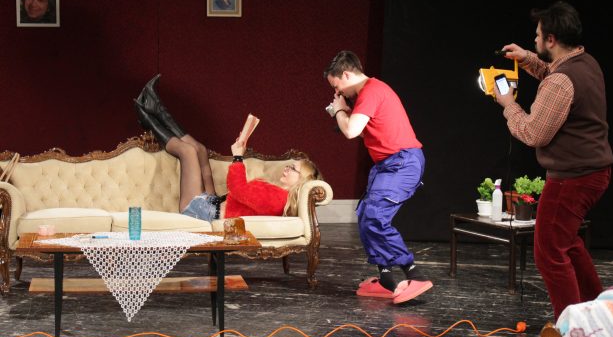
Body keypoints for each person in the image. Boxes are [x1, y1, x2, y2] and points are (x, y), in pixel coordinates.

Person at [494, 1, 613, 320]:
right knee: (566, 242)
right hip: (593, 172)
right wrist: (526, 57)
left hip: (572, 179)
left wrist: (507, 104)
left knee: (548, 252)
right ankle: (596, 312)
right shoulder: (585, 62)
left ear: (551, 39)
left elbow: (533, 133)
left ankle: (572, 328)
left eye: (537, 36)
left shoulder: (561, 81)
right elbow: (552, 72)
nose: (534, 39)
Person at [323, 50, 433, 305]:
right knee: (365, 216)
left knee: (375, 217)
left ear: (346, 74)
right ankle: (386, 279)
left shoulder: (371, 91)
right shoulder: (368, 94)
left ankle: (415, 275)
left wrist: (339, 111)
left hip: (402, 162)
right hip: (387, 164)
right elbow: (363, 132)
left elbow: (351, 131)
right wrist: (343, 111)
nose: (338, 93)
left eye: (336, 86)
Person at [133, 75, 321, 221]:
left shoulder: (278, 198)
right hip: (214, 203)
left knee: (188, 152)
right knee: (200, 150)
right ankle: (156, 108)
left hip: (203, 212)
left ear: (300, 181)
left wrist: (238, 157)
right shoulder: (279, 194)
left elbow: (238, 189)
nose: (287, 168)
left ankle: (146, 117)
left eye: (293, 168)